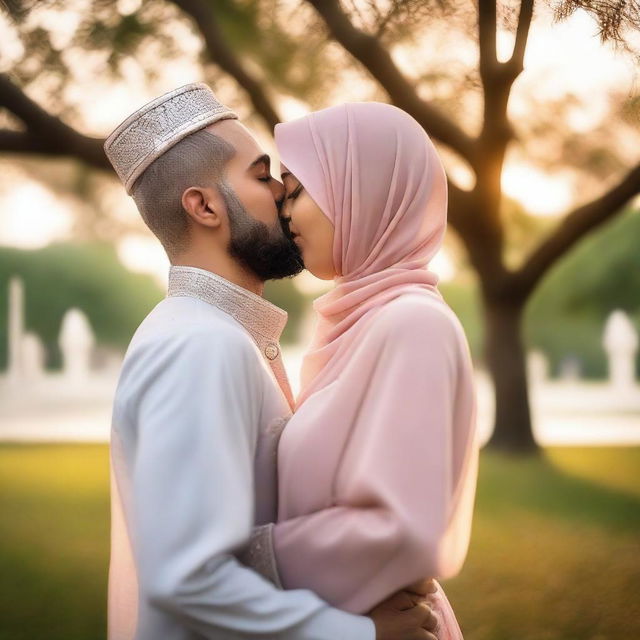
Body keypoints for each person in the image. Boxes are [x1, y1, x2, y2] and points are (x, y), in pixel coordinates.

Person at [104, 83, 438, 640]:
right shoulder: (199, 346)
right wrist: (359, 634)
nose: (285, 195)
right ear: (204, 205)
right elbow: (188, 579)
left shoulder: (215, 334)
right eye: (262, 177)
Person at [239, 102, 480, 639]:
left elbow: (404, 529)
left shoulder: (413, 325)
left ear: (363, 190)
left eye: (298, 191)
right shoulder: (361, 326)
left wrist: (241, 559)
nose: (284, 211)